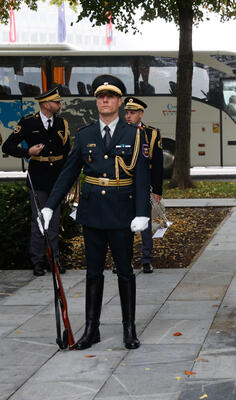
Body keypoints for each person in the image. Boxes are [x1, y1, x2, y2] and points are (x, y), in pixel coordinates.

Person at [39, 75, 150, 350]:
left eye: (110, 96)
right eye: (100, 96)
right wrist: (49, 207)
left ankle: (129, 329)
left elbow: (141, 176)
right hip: (92, 213)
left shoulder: (134, 134)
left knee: (125, 272)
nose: (104, 100)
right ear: (96, 102)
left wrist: (142, 213)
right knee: (93, 273)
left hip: (123, 213)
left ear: (119, 102)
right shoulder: (85, 134)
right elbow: (68, 173)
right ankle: (92, 329)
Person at [2, 87, 70, 276]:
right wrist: (28, 153)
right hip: (38, 178)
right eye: (56, 102)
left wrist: (67, 178)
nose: (59, 105)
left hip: (56, 179)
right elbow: (7, 146)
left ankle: (54, 261)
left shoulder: (62, 123)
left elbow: (66, 153)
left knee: (54, 222)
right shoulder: (28, 122)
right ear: (46, 105)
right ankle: (38, 261)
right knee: (39, 220)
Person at [124, 96, 163, 274]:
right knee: (124, 224)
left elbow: (157, 164)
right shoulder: (120, 131)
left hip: (143, 183)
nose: (128, 116)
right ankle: (123, 261)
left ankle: (146, 260)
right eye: (126, 113)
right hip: (123, 183)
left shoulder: (152, 133)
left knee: (145, 222)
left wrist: (157, 190)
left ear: (141, 114)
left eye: (132, 113)